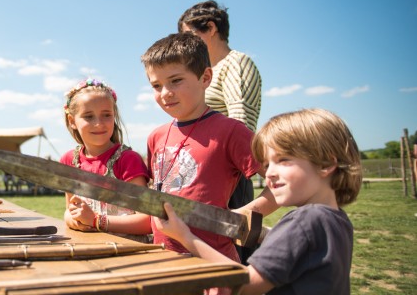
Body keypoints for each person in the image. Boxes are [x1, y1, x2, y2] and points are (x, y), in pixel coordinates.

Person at [154, 109, 363, 295]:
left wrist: (186, 237)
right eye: (266, 164)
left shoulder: (305, 221)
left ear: (326, 164)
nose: (269, 173)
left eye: (283, 160)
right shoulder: (336, 220)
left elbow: (245, 284)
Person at [140, 33, 277, 263]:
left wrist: (244, 214)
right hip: (163, 260)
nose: (165, 93)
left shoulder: (231, 131)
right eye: (156, 85)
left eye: (175, 80)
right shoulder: (156, 136)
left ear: (205, 77)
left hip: (213, 261)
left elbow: (282, 181)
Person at [178, 0, 263, 263]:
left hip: (230, 175)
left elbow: (241, 123)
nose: (186, 44)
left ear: (211, 28)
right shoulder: (208, 71)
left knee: (229, 255)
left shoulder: (237, 63)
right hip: (205, 173)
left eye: (190, 35)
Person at [60, 78, 151, 241]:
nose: (99, 123)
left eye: (106, 115)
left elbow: (147, 221)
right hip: (89, 248)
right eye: (89, 116)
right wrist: (72, 220)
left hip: (130, 252)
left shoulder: (128, 160)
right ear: (72, 121)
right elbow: (69, 210)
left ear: (114, 116)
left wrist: (96, 221)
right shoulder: (68, 161)